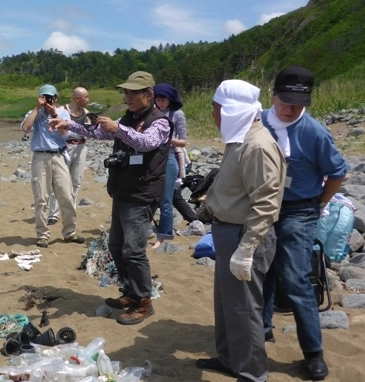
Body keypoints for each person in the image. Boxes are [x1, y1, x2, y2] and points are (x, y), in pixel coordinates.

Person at [51, 71, 171, 325]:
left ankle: (143, 301)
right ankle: (130, 292)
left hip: (142, 194)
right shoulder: (129, 117)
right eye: (125, 92)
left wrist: (118, 128)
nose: (126, 96)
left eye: (132, 92)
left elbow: (146, 143)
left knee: (134, 251)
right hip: (123, 191)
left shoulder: (160, 122)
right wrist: (69, 125)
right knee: (117, 246)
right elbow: (98, 132)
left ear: (148, 95)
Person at [260, 66, 347, 380]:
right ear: (273, 95)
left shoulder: (314, 132)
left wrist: (319, 205)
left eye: (297, 102)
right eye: (284, 100)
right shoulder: (257, 122)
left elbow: (338, 173)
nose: (289, 107)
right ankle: (262, 330)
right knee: (262, 272)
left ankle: (313, 353)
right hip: (262, 208)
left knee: (296, 279)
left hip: (299, 210)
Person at [196, 79, 286, 382]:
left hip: (244, 236)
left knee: (245, 311)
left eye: (216, 109)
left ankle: (252, 374)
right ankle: (229, 359)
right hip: (228, 233)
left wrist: (246, 249)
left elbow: (266, 203)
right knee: (226, 306)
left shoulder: (258, 145)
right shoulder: (239, 138)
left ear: (231, 110)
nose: (213, 115)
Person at [21, 84, 82, 248]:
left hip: (59, 155)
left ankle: (70, 232)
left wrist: (54, 114)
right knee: (41, 198)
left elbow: (66, 135)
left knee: (66, 195)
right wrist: (36, 109)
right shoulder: (34, 113)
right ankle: (42, 235)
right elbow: (25, 128)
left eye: (50, 98)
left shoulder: (62, 113)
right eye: (44, 97)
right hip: (40, 157)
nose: (47, 101)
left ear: (56, 99)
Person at [151, 83, 200, 248]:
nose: (160, 102)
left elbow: (183, 142)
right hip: (151, 156)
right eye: (157, 99)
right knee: (148, 194)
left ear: (170, 99)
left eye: (163, 99)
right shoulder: (151, 112)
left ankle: (164, 234)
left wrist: (166, 138)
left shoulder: (177, 115)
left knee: (167, 197)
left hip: (170, 154)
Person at [47, 87, 91, 226]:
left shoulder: (87, 113)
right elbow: (55, 129)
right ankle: (53, 214)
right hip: (65, 147)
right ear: (78, 98)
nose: (88, 100)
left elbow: (90, 130)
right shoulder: (61, 111)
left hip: (81, 147)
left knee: (76, 180)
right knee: (59, 180)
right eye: (86, 97)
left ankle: (71, 211)